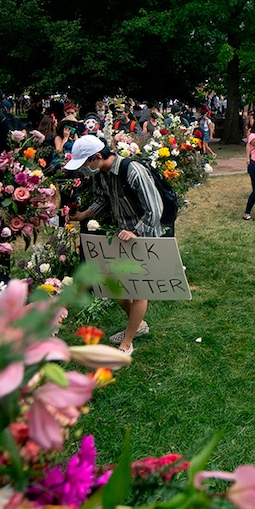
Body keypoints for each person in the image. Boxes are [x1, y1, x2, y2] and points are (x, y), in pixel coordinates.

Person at [65, 135, 164, 355]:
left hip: (144, 234)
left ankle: (126, 343)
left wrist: (136, 231)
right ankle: (137, 325)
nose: (83, 170)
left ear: (97, 157)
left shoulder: (133, 171)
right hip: (121, 236)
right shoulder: (102, 174)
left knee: (139, 289)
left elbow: (155, 209)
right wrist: (83, 215)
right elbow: (103, 200)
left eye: (84, 164)